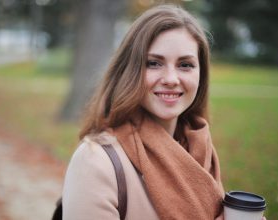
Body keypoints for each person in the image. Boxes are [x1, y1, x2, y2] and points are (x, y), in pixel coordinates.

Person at [62, 4, 226, 220]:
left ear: (201, 74)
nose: (170, 79)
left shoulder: (202, 150)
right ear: (130, 70)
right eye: (154, 63)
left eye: (185, 65)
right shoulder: (95, 161)